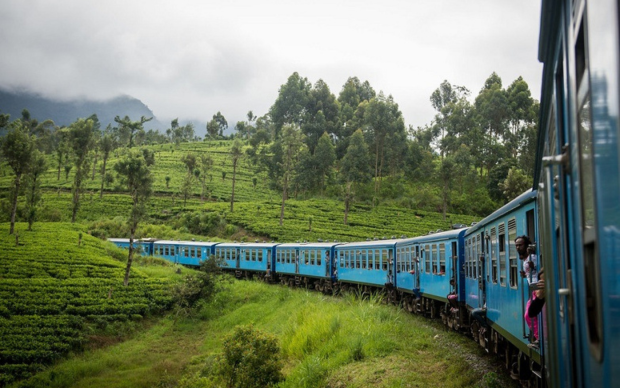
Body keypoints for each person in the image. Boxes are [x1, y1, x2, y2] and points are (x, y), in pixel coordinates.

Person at [527, 269, 545, 349]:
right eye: (541, 282)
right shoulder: (541, 294)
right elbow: (531, 313)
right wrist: (539, 297)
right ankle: (538, 337)